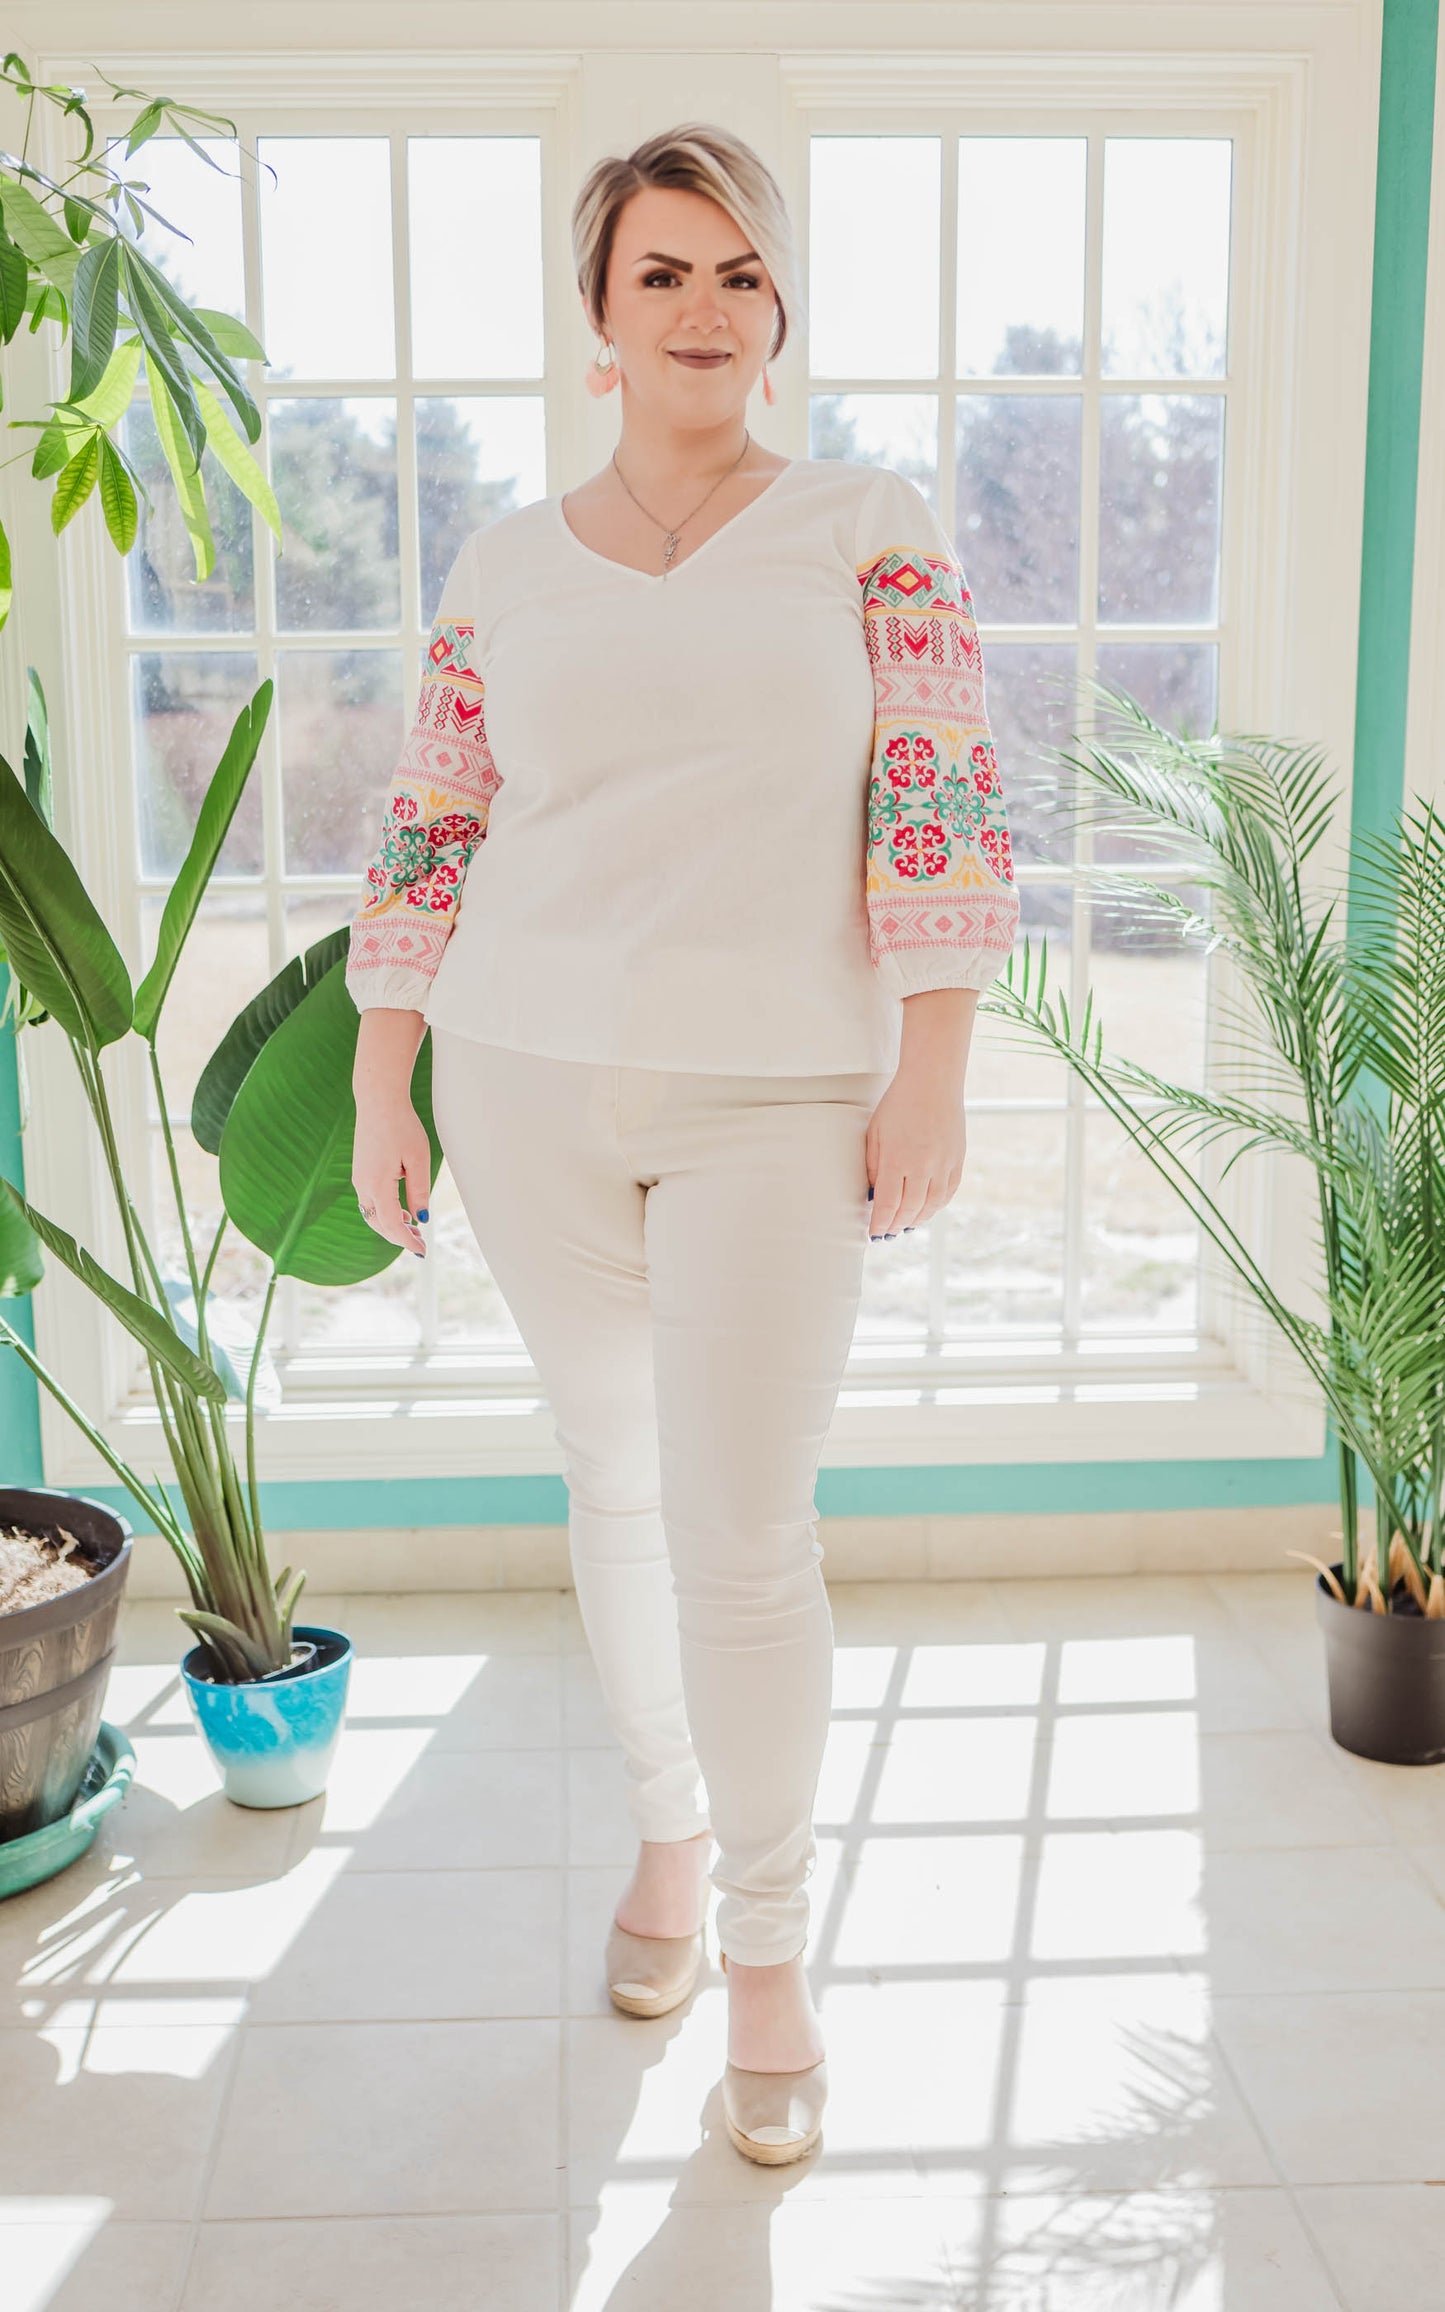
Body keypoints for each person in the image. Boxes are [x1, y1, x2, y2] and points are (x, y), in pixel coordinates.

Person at [345, 120, 1019, 2166]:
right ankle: (661, 1834)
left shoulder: (865, 524)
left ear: (779, 314)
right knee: (618, 1483)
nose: (706, 308)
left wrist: (935, 1062)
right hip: (527, 1071)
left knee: (742, 1526)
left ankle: (767, 1949)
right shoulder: (503, 565)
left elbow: (940, 793)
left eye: (740, 275)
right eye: (665, 274)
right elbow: (437, 815)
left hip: (781, 1089)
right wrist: (388, 1073)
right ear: (598, 323)